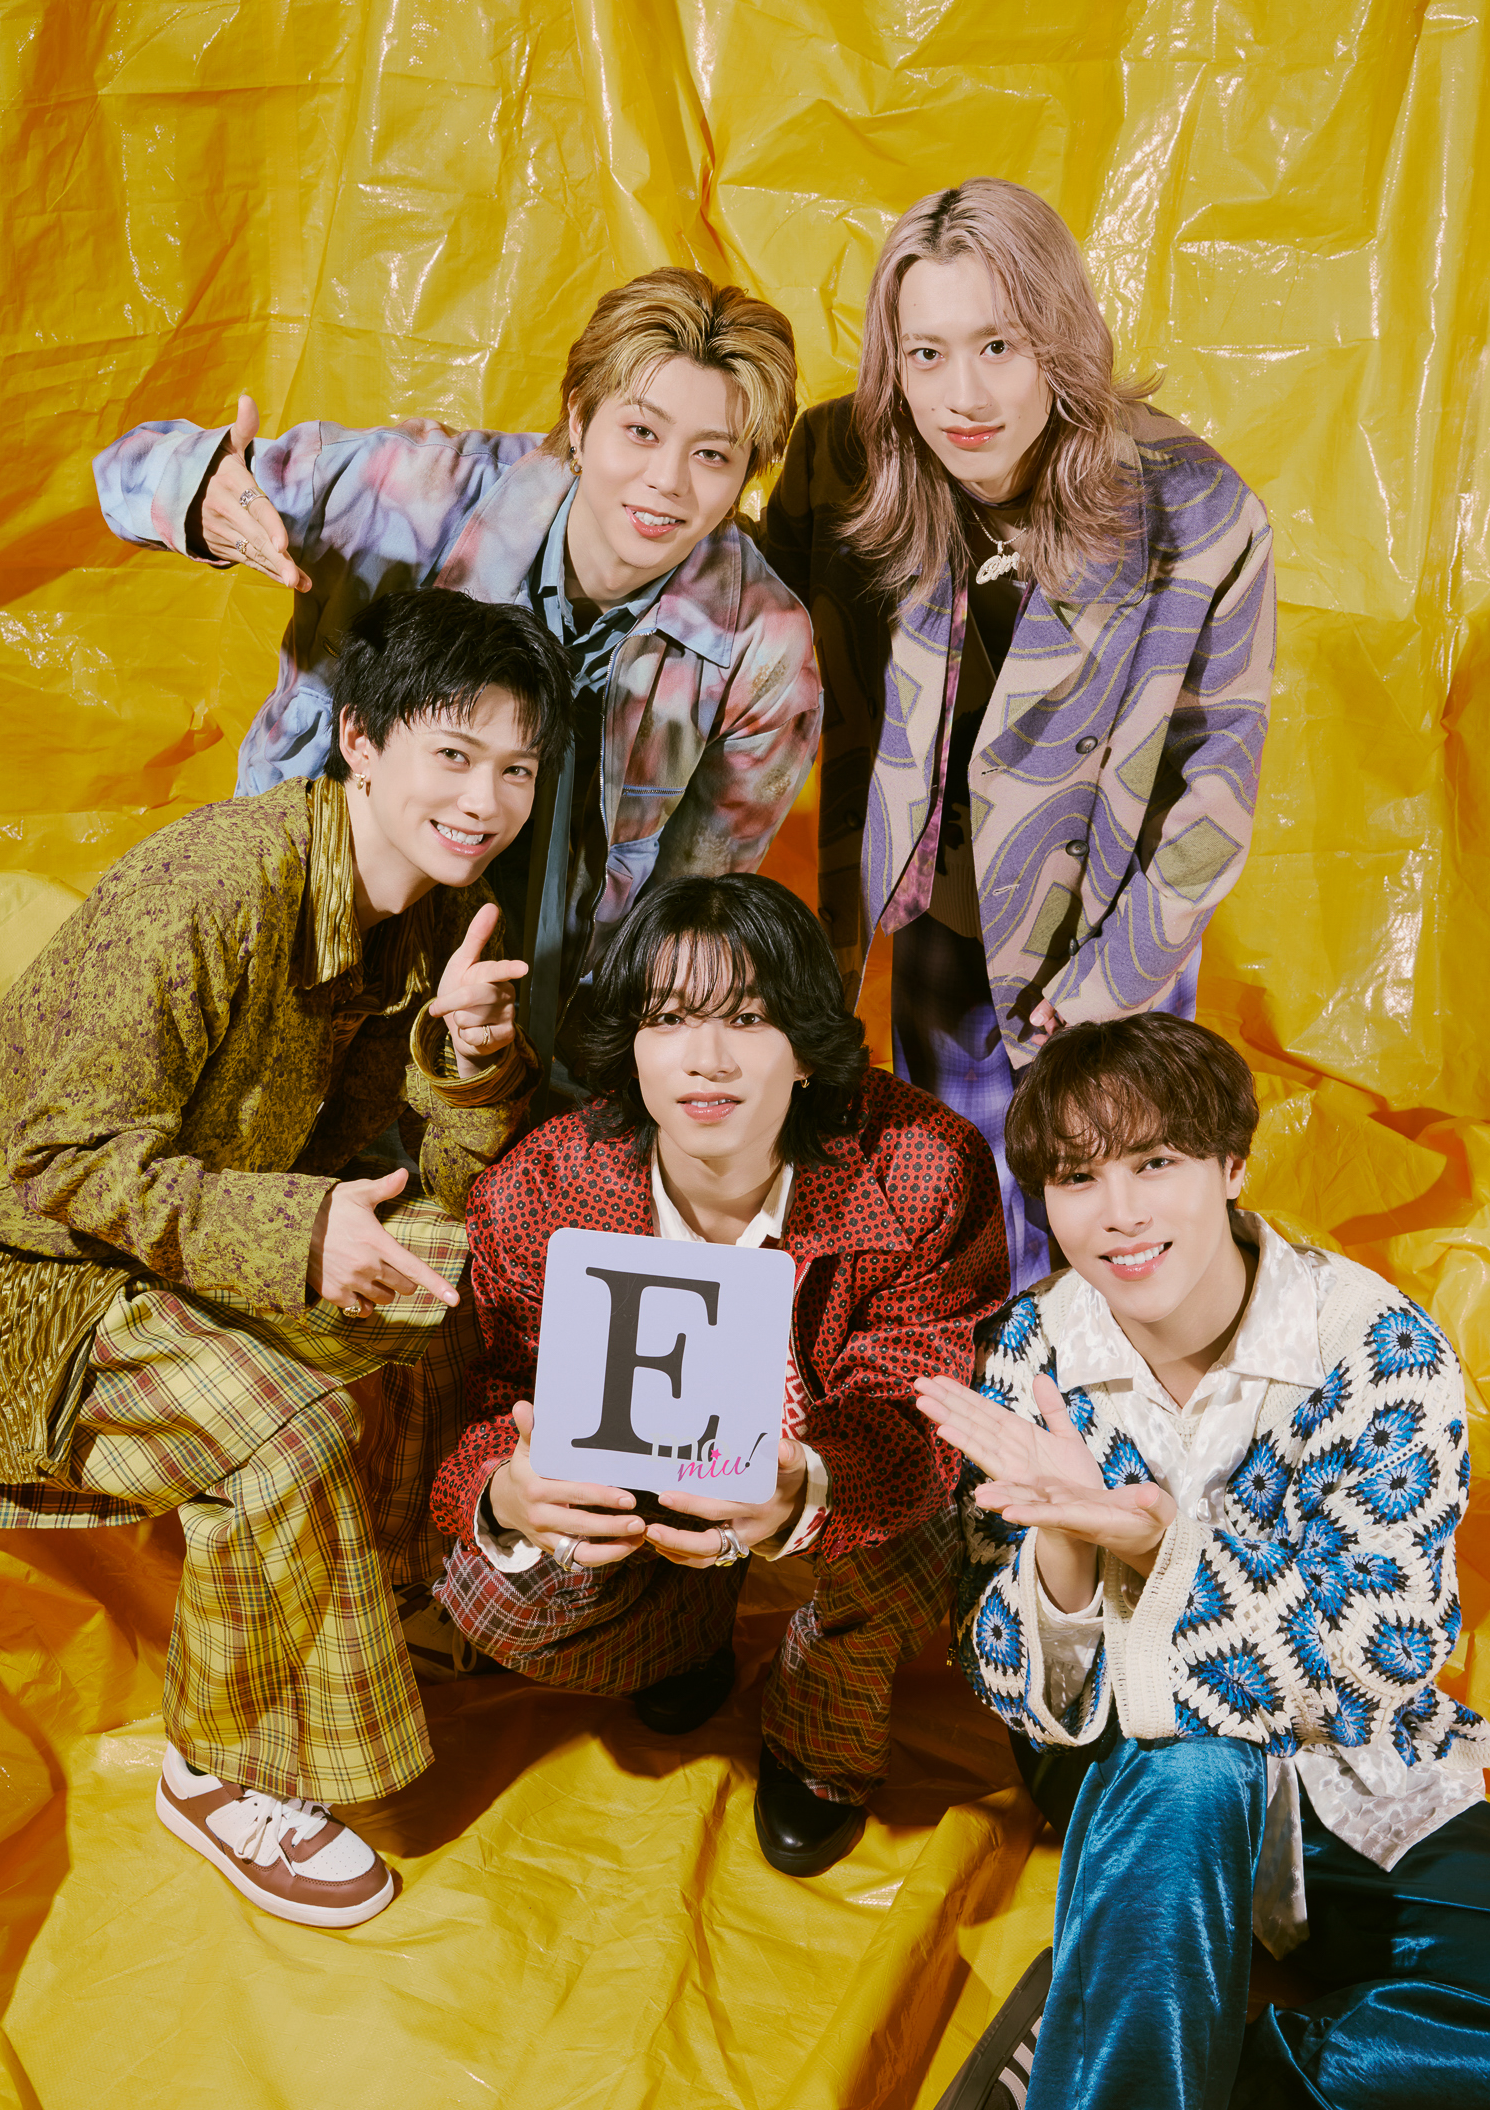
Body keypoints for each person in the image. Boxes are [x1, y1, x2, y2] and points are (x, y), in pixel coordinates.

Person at [0, 587, 574, 1929]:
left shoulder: (431, 912)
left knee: (452, 1273)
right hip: (29, 1276)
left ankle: (395, 1596)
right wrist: (304, 1234)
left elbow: (432, 1183)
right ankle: (220, 1766)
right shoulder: (221, 882)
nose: (484, 800)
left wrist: (463, 1062)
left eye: (516, 768)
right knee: (287, 1426)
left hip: (175, 1245)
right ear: (360, 740)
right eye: (453, 754)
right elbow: (54, 1156)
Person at [916, 1013, 1489, 2110]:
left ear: (1232, 1164)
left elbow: (1385, 1650)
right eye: (1078, 1177)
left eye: (1155, 1162)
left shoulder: (1378, 1346)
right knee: (1193, 1763)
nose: (1119, 1212)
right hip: (1125, 1755)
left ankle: (1143, 2054)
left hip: (1357, 1765)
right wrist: (1066, 1537)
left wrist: (1161, 1545)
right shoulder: (1028, 1353)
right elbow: (1012, 1682)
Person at [94, 268, 822, 1092]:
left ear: (748, 471)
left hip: (537, 1015)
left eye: (712, 454)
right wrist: (200, 494)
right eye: (641, 431)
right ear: (579, 417)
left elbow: (686, 910)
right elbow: (131, 468)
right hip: (307, 940)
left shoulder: (765, 649)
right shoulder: (415, 490)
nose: (668, 481)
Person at [428, 873, 1009, 1875]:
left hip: (834, 1465)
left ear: (807, 1046)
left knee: (924, 1529)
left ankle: (819, 1729)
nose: (707, 1058)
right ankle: (681, 1635)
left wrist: (804, 1491)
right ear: (631, 1045)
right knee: (495, 1597)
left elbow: (924, 1406)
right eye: (668, 1019)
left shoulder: (922, 1165)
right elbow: (488, 1400)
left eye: (747, 1017)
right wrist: (508, 1494)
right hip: (642, 1499)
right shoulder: (541, 1188)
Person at [758, 180, 1276, 1290]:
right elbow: (730, 632)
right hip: (937, 925)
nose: (964, 396)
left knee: (1118, 1243)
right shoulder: (842, 461)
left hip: (1110, 931)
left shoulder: (1197, 511)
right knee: (958, 1239)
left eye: (998, 344)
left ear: (1059, 339)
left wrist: (1106, 982)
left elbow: (1216, 788)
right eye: (927, 353)